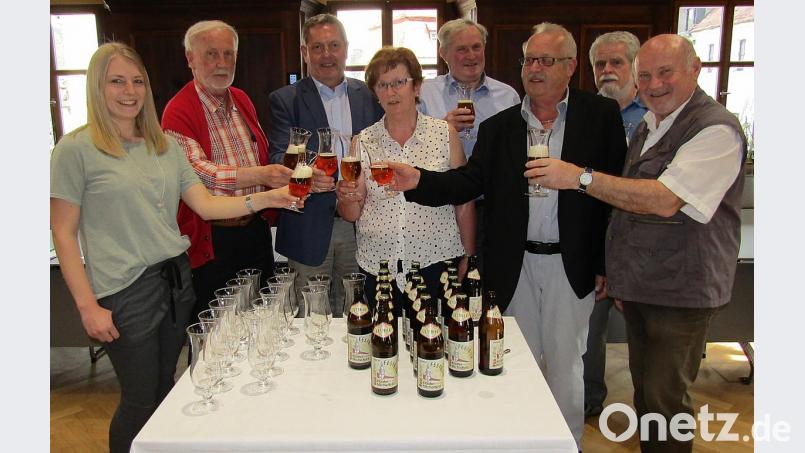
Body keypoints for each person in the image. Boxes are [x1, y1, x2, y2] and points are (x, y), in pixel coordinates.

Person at [50, 43, 299, 453]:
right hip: (125, 291)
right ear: (97, 87)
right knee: (139, 398)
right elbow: (63, 233)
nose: (129, 91)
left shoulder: (163, 145)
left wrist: (266, 199)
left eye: (137, 81)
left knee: (168, 386)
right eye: (116, 81)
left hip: (176, 279)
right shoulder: (75, 150)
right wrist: (86, 307)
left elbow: (205, 203)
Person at [387, 23, 625, 448]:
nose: (533, 69)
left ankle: (565, 444)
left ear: (570, 66)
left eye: (545, 60)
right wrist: (418, 181)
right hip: (513, 265)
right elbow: (468, 182)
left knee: (567, 366)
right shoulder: (501, 127)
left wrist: (606, 264)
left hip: (572, 266)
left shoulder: (600, 117)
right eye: (528, 60)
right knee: (511, 360)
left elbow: (614, 195)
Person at [532, 34, 745, 452]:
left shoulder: (715, 128)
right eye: (645, 75)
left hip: (682, 290)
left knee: (665, 403)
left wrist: (579, 177)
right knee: (648, 395)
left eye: (665, 72)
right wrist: (621, 275)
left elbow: (664, 200)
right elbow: (627, 210)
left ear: (695, 70)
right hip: (647, 285)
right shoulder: (651, 124)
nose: (653, 84)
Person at [161, 20, 302, 320]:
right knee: (218, 331)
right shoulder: (178, 110)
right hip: (213, 239)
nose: (222, 63)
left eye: (229, 54)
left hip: (254, 232)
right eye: (211, 54)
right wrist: (263, 175)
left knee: (262, 322)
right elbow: (201, 173)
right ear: (190, 58)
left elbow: (258, 155)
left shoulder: (241, 99)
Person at [335, 46, 475, 308]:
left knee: (434, 344)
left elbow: (463, 201)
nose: (391, 92)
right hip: (379, 267)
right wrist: (345, 197)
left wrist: (469, 254)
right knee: (383, 345)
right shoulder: (363, 141)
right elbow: (352, 213)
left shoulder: (444, 134)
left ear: (417, 87)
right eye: (382, 85)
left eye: (399, 82)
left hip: (436, 262)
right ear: (375, 93)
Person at [268, 13, 383, 314]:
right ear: (304, 52)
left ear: (346, 48)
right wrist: (306, 174)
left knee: (357, 313)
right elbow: (278, 159)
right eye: (317, 47)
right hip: (308, 224)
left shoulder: (370, 95)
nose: (327, 55)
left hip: (361, 224)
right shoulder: (285, 99)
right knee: (311, 317)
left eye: (334, 45)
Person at [418, 18, 520, 272]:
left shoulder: (508, 96)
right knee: (447, 285)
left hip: (493, 207)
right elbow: (411, 146)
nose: (471, 55)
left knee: (489, 283)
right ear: (443, 54)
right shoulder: (425, 92)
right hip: (443, 208)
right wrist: (443, 128)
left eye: (476, 47)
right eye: (461, 49)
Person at [582, 30, 648, 418]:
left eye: (616, 62)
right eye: (600, 64)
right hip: (599, 243)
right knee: (592, 331)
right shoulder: (585, 114)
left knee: (652, 351)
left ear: (636, 67)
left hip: (648, 249)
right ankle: (590, 404)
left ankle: (652, 414)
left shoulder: (656, 114)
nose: (607, 70)